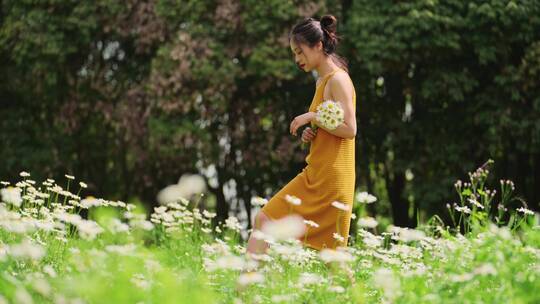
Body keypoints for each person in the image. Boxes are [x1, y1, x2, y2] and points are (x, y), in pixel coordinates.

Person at [246, 15, 357, 254]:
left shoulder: (339, 79)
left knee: (331, 256)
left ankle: (245, 288)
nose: (297, 59)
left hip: (330, 179)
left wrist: (312, 117)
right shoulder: (322, 82)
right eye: (294, 54)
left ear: (318, 45)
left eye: (300, 52)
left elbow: (350, 129)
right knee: (266, 222)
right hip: (317, 173)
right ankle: (246, 289)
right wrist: (314, 132)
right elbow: (333, 125)